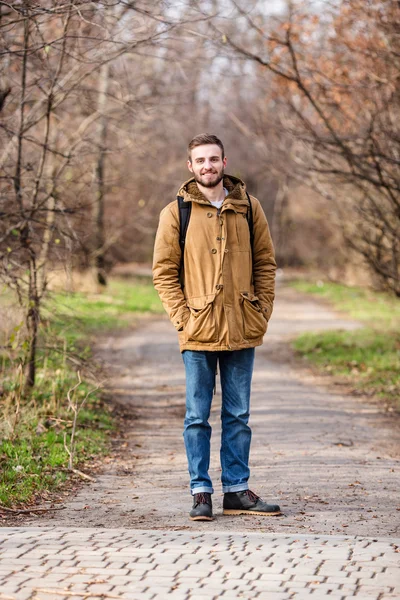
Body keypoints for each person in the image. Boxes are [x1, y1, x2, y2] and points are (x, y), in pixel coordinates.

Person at [152, 133, 281, 521]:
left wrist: (261, 311)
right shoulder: (176, 212)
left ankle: (237, 491)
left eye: (213, 159)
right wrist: (183, 317)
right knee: (196, 416)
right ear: (190, 167)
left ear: (224, 163)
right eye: (200, 160)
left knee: (238, 415)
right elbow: (163, 273)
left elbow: (266, 265)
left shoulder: (249, 207)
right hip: (198, 330)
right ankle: (201, 491)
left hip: (242, 326)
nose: (207, 166)